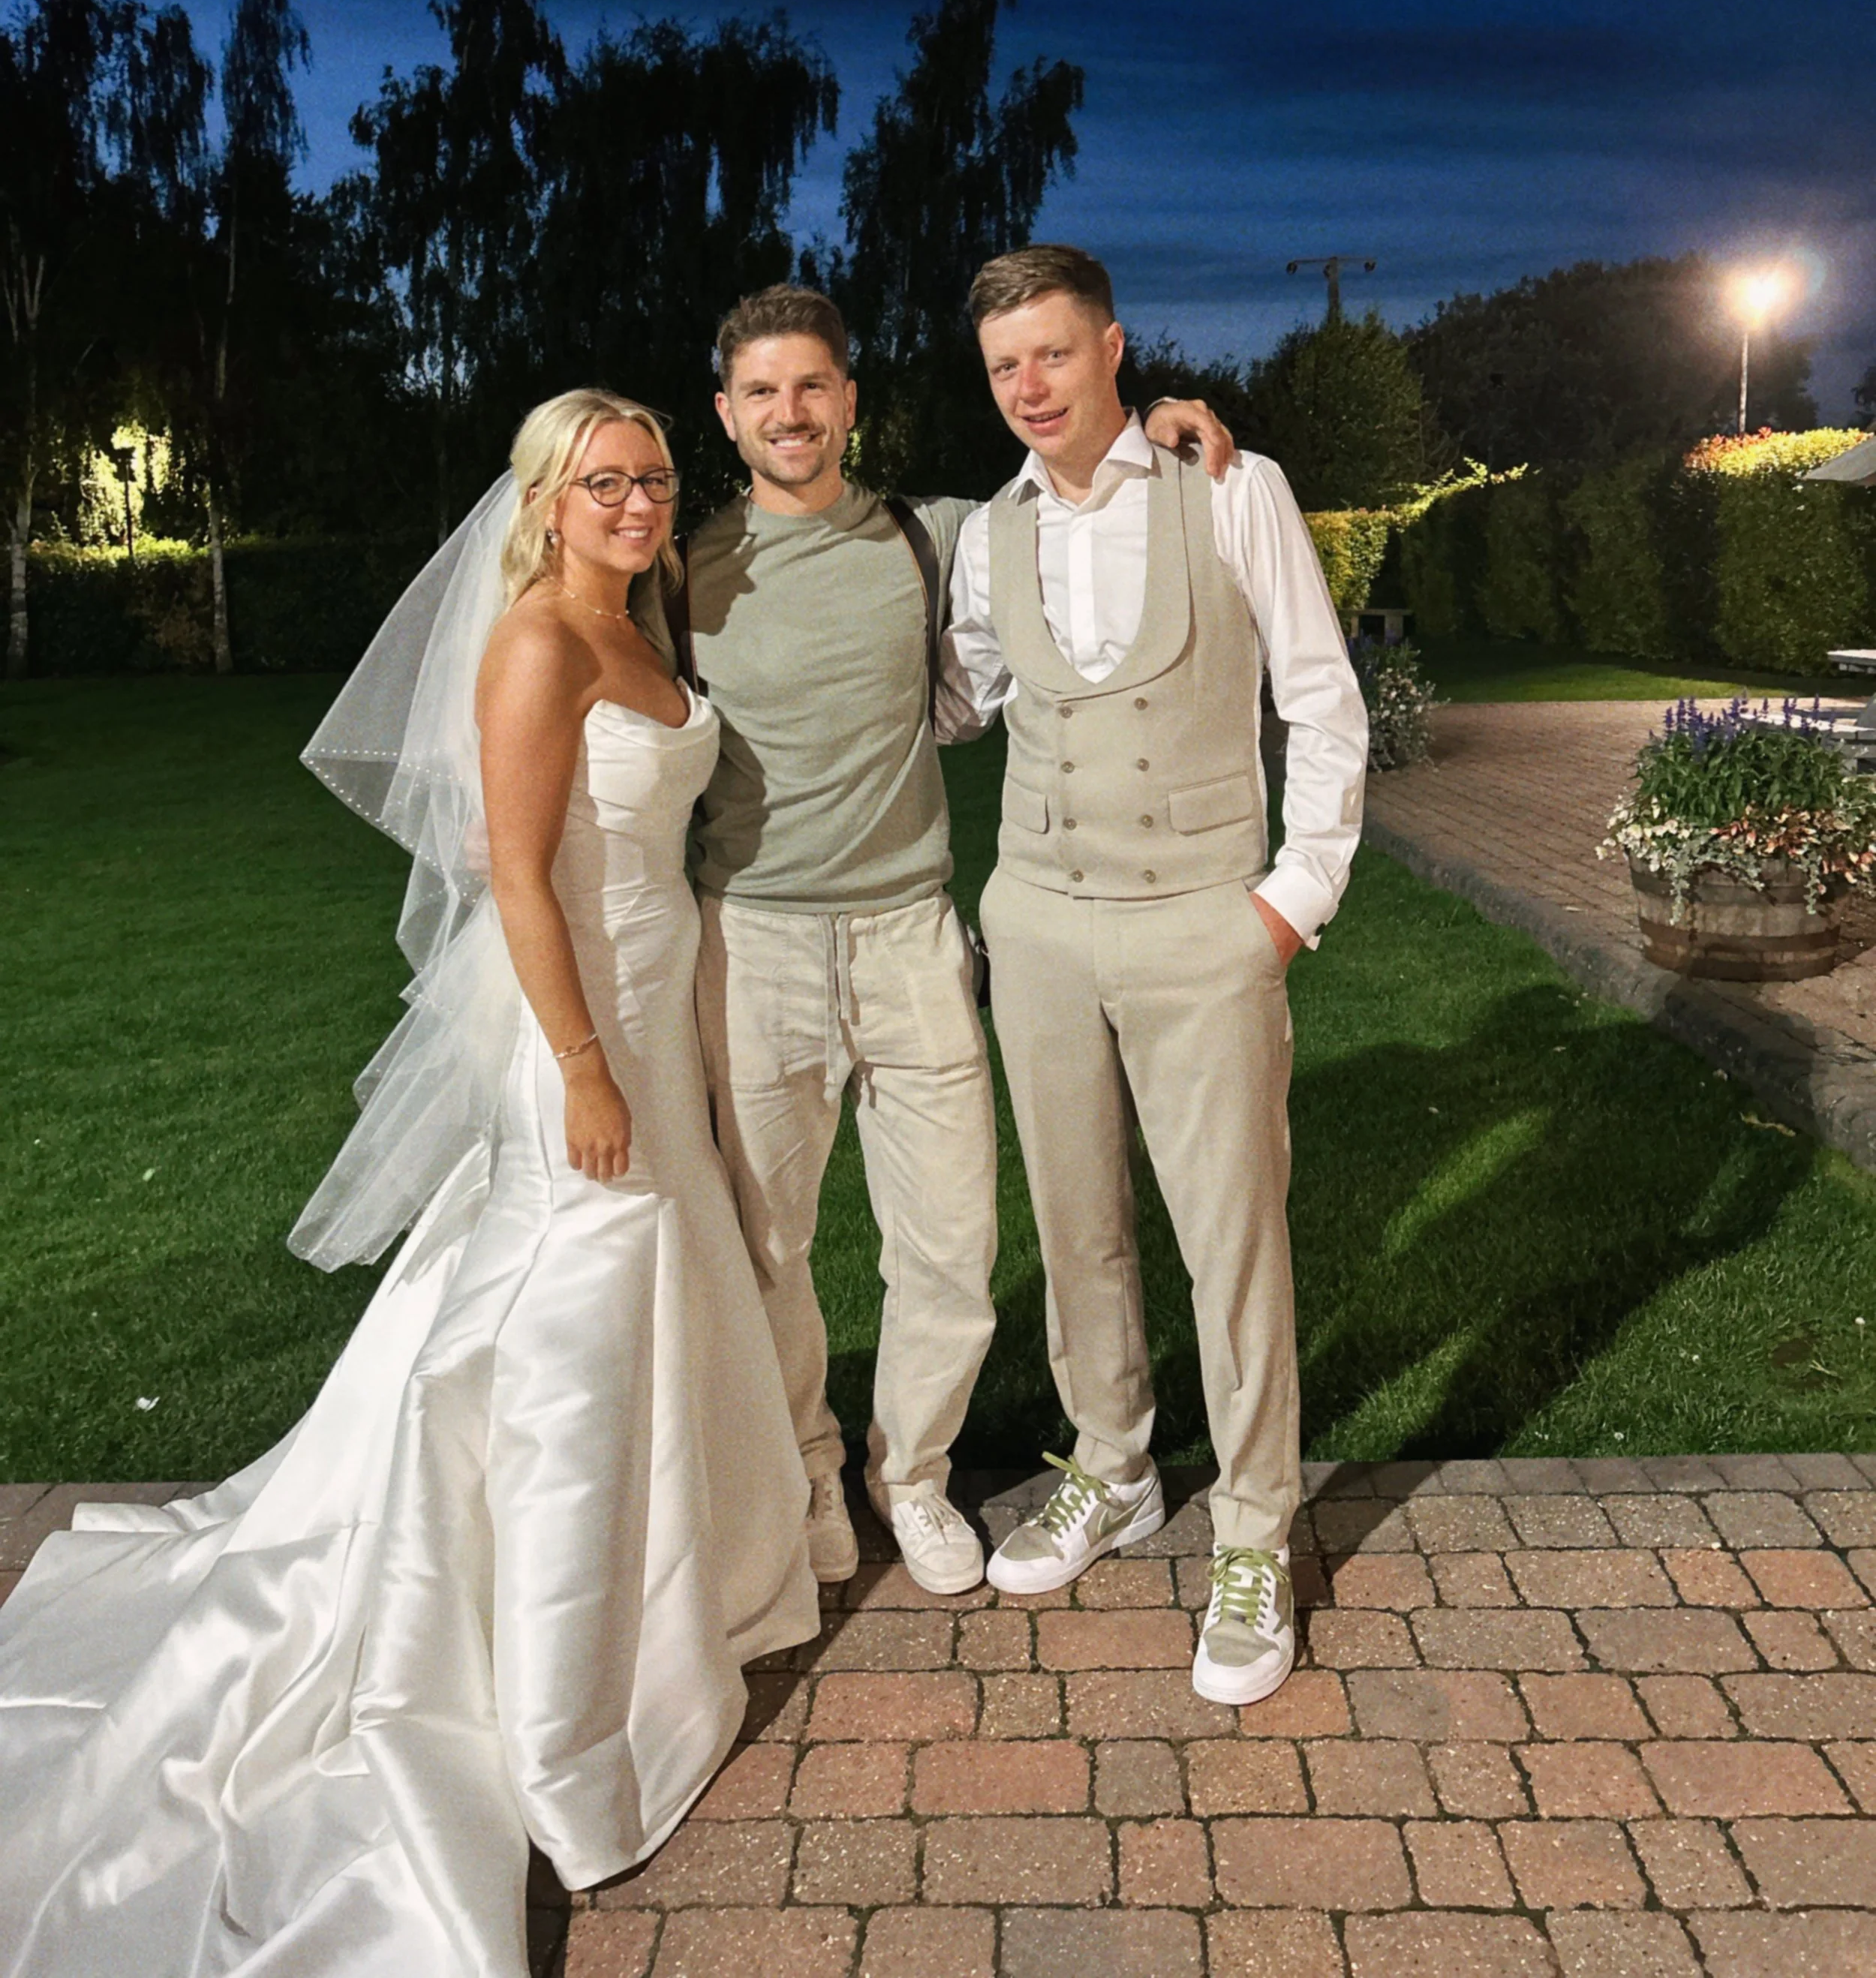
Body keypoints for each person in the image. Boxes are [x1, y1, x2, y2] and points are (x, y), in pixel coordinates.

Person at [0, 389, 819, 1978]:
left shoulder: (642, 629)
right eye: (605, 482)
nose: (639, 502)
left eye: (653, 478)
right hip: (580, 1018)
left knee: (645, 1285)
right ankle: (558, 1692)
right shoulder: (538, 643)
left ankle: (673, 1596)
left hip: (657, 998)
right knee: (568, 1308)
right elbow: (516, 873)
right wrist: (581, 1063)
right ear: (546, 497)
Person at [648, 284, 1231, 1595]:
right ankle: (804, 1472)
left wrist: (1168, 420)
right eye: (760, 394)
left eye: (812, 387)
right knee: (768, 1246)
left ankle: (906, 1473)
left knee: (953, 1249)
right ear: (727, 416)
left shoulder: (943, 539)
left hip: (915, 938)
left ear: (851, 400)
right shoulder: (682, 571)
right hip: (754, 949)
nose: (789, 413)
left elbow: (1081, 485)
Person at [940, 246, 1368, 1709]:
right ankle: (1112, 1468)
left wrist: (1290, 900)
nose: (1027, 385)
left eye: (1051, 352)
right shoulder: (984, 531)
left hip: (1203, 921)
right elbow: (959, 696)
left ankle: (1251, 1530)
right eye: (1003, 363)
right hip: (1040, 920)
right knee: (1074, 1227)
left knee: (1227, 1238)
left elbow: (1320, 698)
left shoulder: (1226, 486)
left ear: (1111, 347)